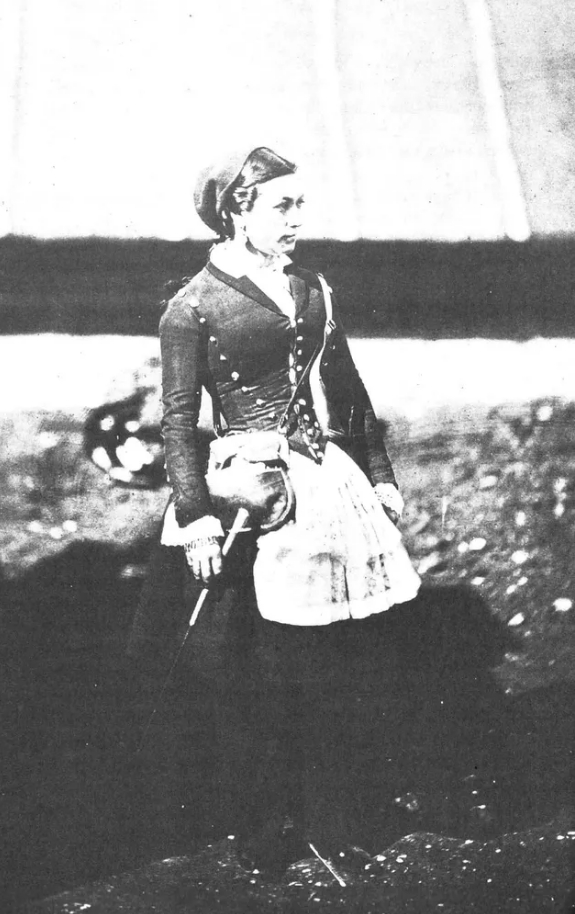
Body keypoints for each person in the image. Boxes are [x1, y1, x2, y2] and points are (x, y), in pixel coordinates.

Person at [128, 145, 420, 880]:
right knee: (248, 667)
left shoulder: (312, 287)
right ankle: (261, 825)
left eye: (300, 204)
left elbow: (347, 389)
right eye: (282, 206)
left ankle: (333, 818)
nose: (297, 219)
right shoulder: (192, 306)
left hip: (324, 482)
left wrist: (380, 475)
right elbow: (176, 422)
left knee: (331, 659)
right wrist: (195, 516)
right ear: (237, 211)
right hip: (248, 494)